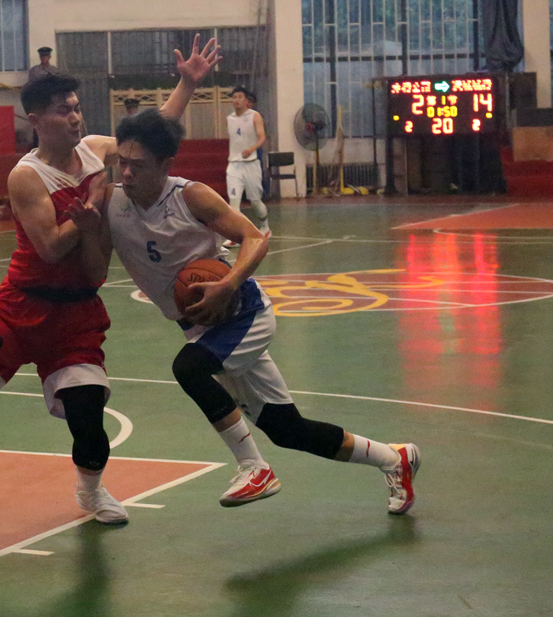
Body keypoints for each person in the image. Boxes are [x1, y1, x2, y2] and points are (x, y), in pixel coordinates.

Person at [0, 35, 220, 533]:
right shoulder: (27, 176)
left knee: (88, 415)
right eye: (64, 110)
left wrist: (186, 84)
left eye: (77, 108)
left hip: (76, 310)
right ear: (36, 119)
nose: (76, 118)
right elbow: (52, 248)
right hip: (19, 304)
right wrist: (91, 209)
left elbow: (150, 133)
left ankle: (91, 488)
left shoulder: (96, 151)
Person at [95, 109, 420, 513]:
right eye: (123, 163)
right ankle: (395, 458)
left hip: (243, 312)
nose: (126, 173)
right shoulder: (112, 201)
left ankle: (254, 467)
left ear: (165, 165)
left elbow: (255, 238)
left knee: (188, 368)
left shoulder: (189, 196)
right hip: (202, 328)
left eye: (138, 166)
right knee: (288, 430)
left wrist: (228, 284)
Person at [225, 87, 269, 236]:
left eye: (240, 97)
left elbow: (262, 137)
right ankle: (236, 235)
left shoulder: (254, 116)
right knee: (234, 201)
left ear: (246, 100)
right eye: (234, 97)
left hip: (251, 164)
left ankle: (265, 227)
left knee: (255, 201)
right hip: (234, 165)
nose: (236, 100)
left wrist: (252, 148)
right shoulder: (229, 119)